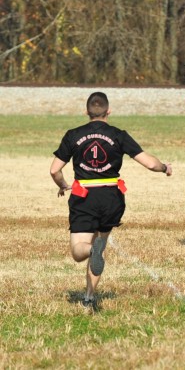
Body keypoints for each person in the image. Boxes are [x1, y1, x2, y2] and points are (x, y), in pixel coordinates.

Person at [49, 92, 172, 310]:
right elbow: (150, 164)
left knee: (79, 249)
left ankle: (90, 252)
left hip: (83, 196)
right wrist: (164, 167)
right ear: (109, 111)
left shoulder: (73, 135)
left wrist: (62, 185)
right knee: (100, 244)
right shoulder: (118, 135)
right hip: (112, 197)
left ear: (86, 112)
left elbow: (54, 170)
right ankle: (88, 296)